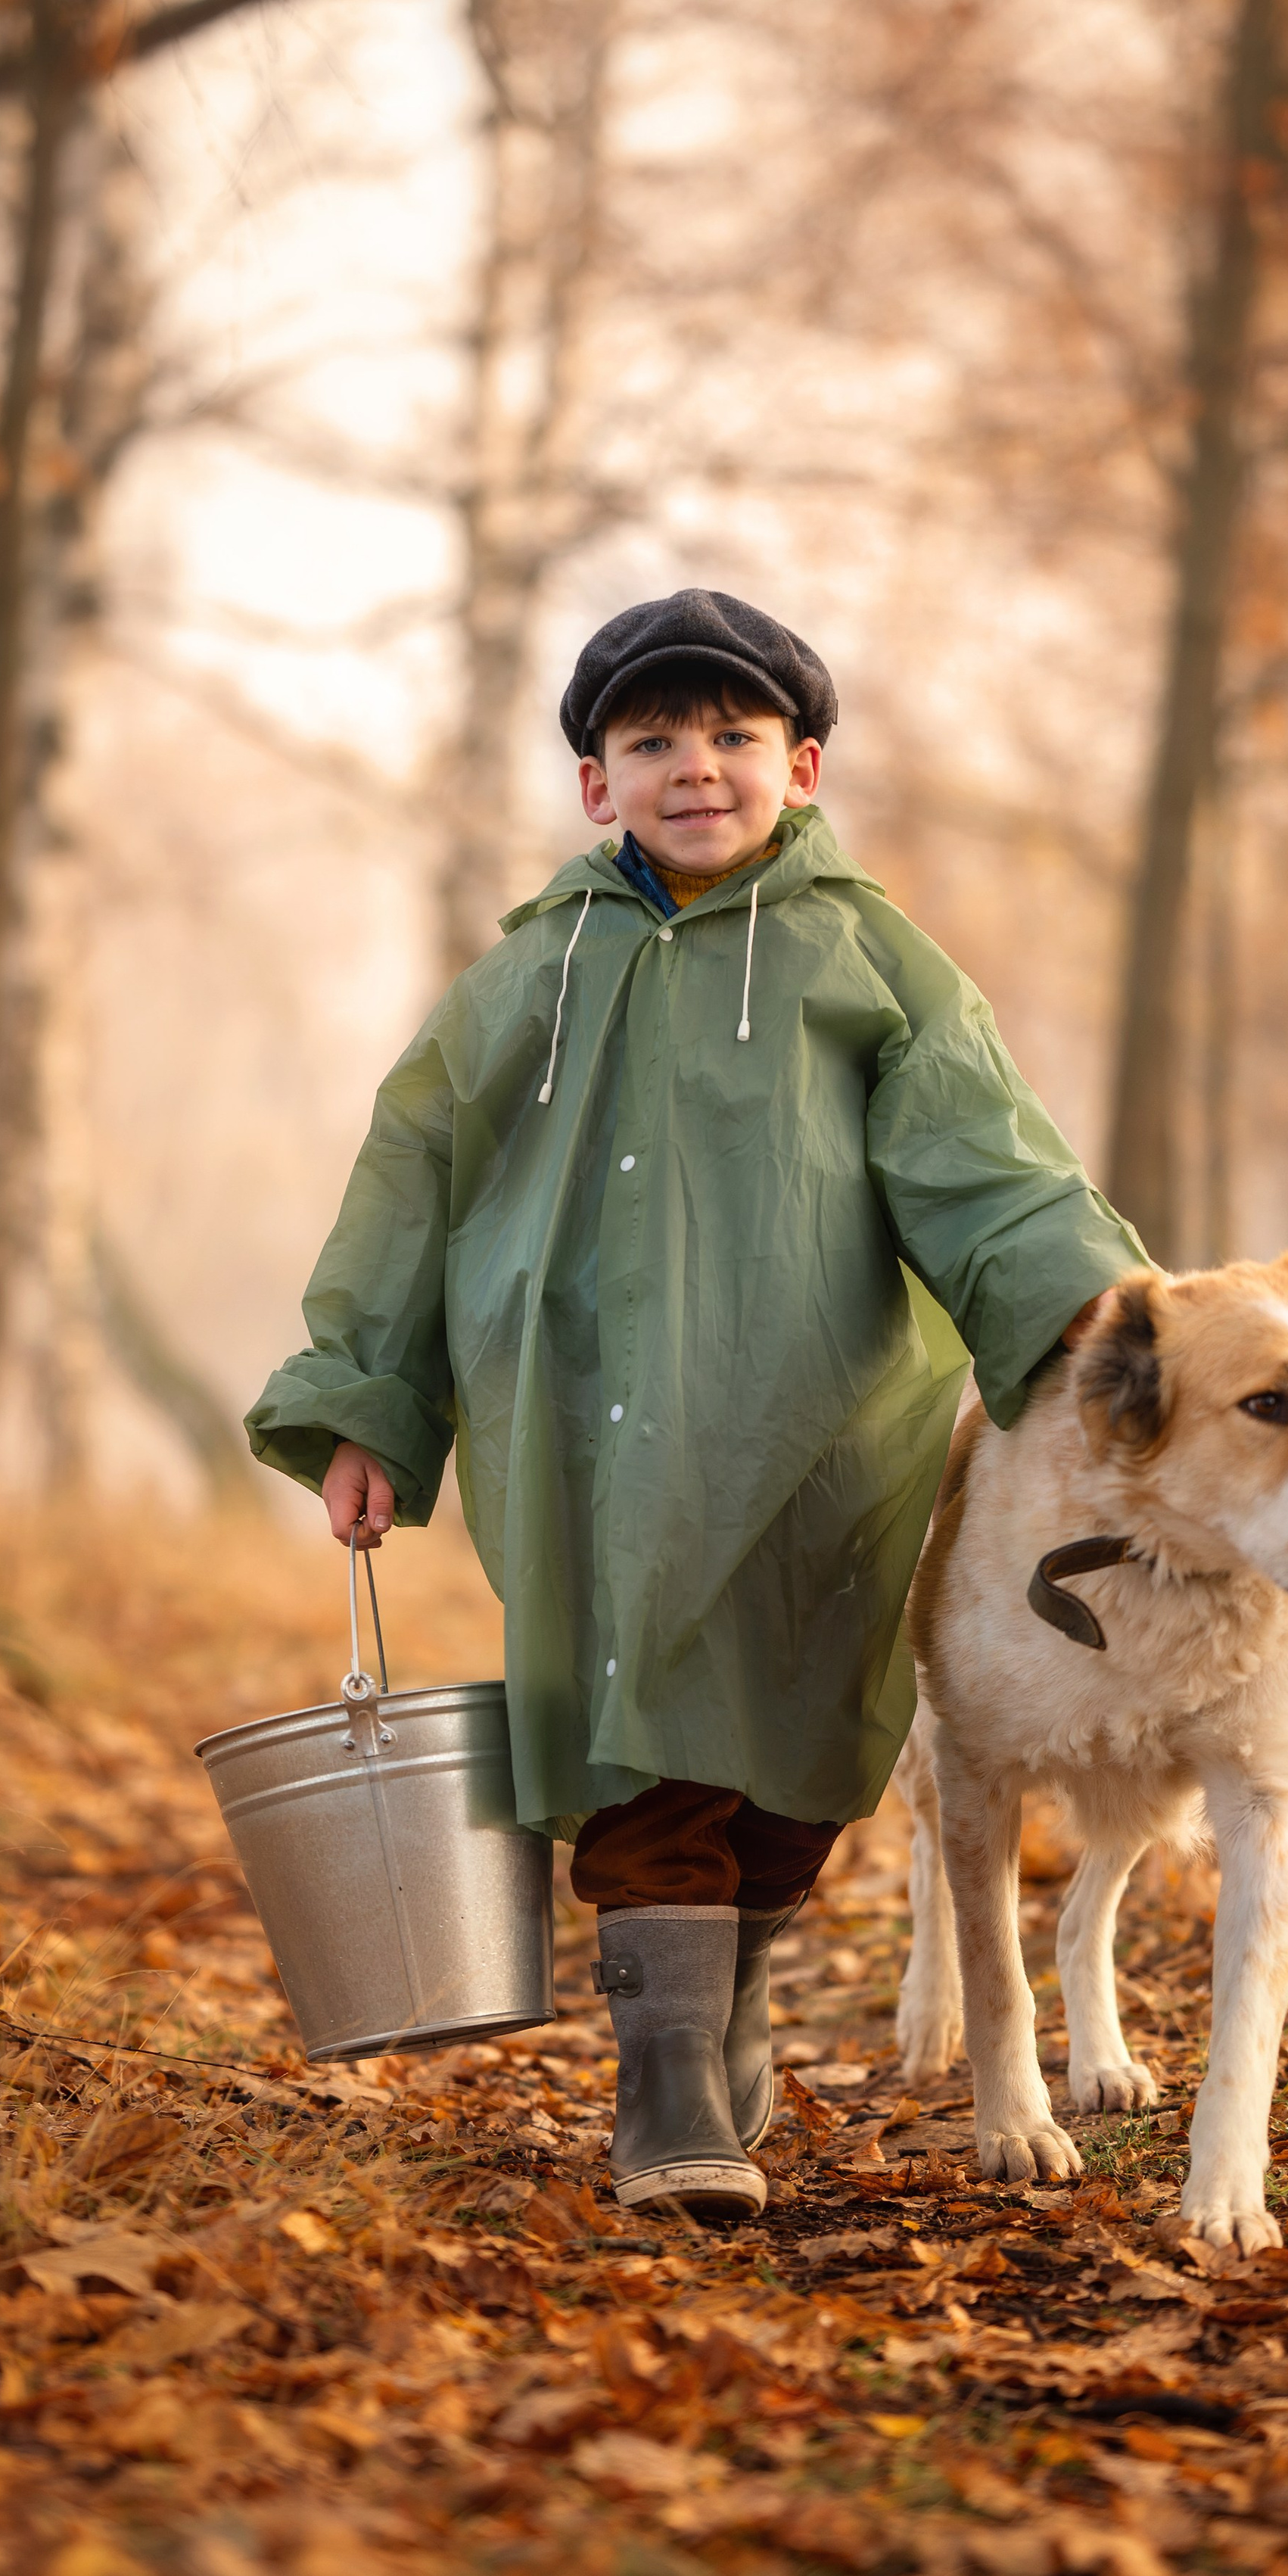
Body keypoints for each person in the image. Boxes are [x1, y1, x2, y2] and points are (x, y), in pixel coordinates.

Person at [247, 587, 1148, 2215]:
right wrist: (375, 1399)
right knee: (637, 1737)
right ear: (595, 784)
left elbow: (981, 1157)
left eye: (731, 736)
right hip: (580, 1432)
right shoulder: (527, 976)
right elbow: (411, 1179)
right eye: (649, 740)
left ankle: (723, 2019)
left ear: (800, 765)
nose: (693, 768)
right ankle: (665, 2079)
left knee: (795, 1758)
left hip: (813, 1429)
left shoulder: (870, 960)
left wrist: (1089, 1315)